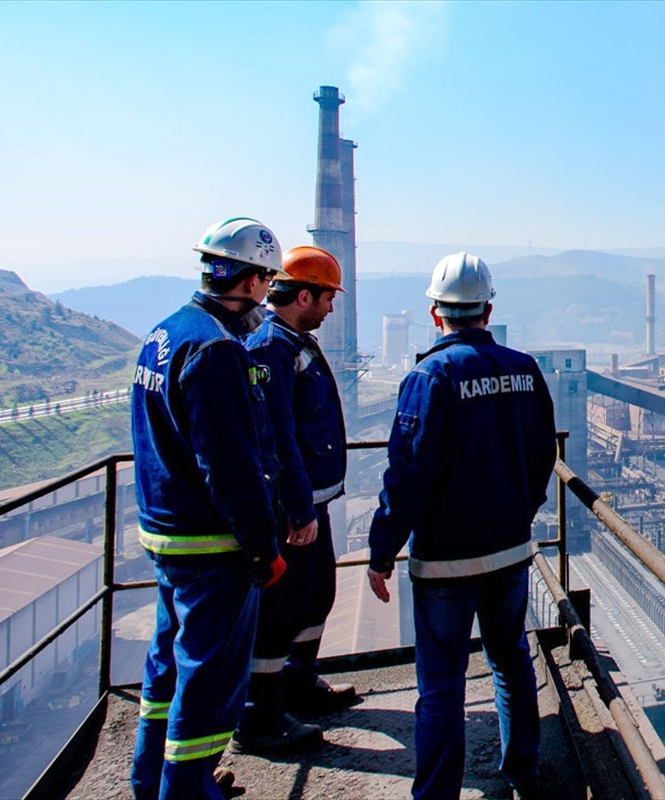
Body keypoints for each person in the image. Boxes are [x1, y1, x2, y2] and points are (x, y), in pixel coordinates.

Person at [367, 252, 557, 799]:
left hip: (446, 558)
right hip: (509, 549)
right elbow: (543, 452)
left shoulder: (430, 376)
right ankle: (524, 770)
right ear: (488, 309)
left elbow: (406, 474)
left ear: (435, 314)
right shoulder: (525, 369)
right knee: (511, 660)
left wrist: (383, 551)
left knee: (443, 684)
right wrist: (522, 511)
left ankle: (435, 794)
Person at [130, 217, 288, 800]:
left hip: (165, 532)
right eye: (268, 283)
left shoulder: (164, 333)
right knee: (210, 678)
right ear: (251, 282)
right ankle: (188, 788)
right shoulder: (217, 350)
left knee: (169, 666)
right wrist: (263, 548)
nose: (267, 295)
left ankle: (152, 781)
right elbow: (230, 467)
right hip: (209, 544)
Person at [235, 246, 356, 754]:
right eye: (327, 298)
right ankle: (259, 717)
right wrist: (296, 509)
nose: (331, 309)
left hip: (314, 501)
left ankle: (300, 684)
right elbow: (275, 434)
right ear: (303, 294)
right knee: (279, 609)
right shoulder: (271, 348)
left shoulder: (293, 339)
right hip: (293, 509)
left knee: (315, 595)